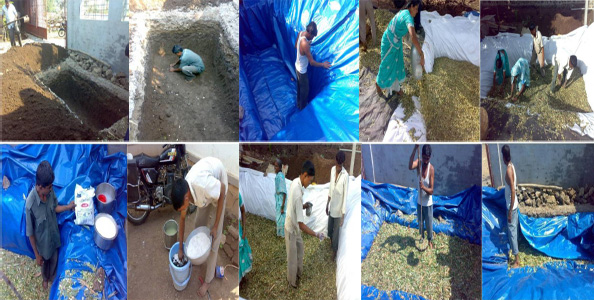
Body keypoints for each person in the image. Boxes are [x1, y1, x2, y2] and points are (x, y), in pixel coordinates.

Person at [171, 157, 227, 297]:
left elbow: (222, 188)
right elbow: (182, 220)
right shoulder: (187, 190)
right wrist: (180, 248)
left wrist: (214, 226)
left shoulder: (203, 186)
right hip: (205, 194)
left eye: (182, 208)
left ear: (186, 198)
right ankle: (198, 257)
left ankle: (208, 280)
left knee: (214, 238)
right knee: (198, 225)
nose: (182, 212)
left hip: (219, 184)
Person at [25, 161, 76, 289]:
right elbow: (30, 233)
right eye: (49, 187)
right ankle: (45, 278)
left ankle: (52, 277)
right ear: (40, 186)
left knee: (54, 259)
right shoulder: (30, 205)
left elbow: (54, 208)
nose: (51, 189)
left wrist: (68, 207)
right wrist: (37, 254)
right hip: (43, 244)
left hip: (54, 237)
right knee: (44, 262)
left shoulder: (49, 191)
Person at [285, 160, 325, 288]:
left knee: (300, 249)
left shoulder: (296, 182)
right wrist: (316, 234)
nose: (309, 183)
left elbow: (295, 206)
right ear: (305, 175)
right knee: (292, 258)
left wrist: (304, 206)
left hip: (295, 227)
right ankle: (292, 282)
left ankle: (299, 273)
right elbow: (301, 224)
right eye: (310, 180)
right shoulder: (297, 192)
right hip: (291, 228)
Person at [376, 0, 424, 98]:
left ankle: (396, 88)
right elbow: (413, 37)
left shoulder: (405, 12)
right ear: (410, 7)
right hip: (389, 43)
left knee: (397, 64)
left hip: (395, 42)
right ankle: (378, 84)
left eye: (417, 9)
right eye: (415, 9)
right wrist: (421, 54)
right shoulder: (408, 17)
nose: (416, 11)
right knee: (386, 66)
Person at [294, 21, 332, 110]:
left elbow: (296, 46)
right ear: (310, 33)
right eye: (313, 36)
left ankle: (298, 103)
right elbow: (311, 62)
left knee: (299, 86)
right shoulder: (305, 44)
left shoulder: (300, 33)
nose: (313, 38)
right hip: (302, 71)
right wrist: (323, 64)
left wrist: (305, 47)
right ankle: (302, 108)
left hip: (297, 65)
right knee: (305, 90)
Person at [408, 144, 434, 249]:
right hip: (419, 202)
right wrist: (414, 148)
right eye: (424, 158)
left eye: (427, 158)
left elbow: (431, 190)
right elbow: (410, 166)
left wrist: (423, 187)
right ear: (421, 156)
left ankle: (430, 240)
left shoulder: (431, 169)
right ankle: (422, 237)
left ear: (430, 157)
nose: (426, 161)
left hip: (427, 204)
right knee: (420, 222)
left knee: (429, 224)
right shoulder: (419, 164)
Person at [326, 150, 349, 261]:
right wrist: (327, 203)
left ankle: (334, 252)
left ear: (342, 163)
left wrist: (343, 215)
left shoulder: (345, 176)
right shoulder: (332, 170)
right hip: (332, 206)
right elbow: (331, 187)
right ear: (335, 161)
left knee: (336, 233)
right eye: (337, 163)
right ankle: (331, 245)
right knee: (330, 230)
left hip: (339, 209)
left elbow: (345, 196)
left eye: (340, 164)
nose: (338, 166)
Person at [502, 144, 520, 268]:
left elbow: (513, 191)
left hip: (512, 207)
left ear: (503, 157)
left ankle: (517, 260)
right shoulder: (511, 165)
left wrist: (509, 210)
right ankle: (516, 249)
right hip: (514, 205)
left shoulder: (508, 170)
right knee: (514, 230)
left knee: (512, 232)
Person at [238, 193, 253, 283]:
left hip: (240, 231)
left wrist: (244, 229)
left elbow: (243, 211)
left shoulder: (238, 196)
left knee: (242, 253)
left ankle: (243, 277)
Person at [275, 158, 287, 237]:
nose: (274, 168)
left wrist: (282, 207)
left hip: (281, 201)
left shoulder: (280, 177)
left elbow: (284, 193)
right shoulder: (278, 176)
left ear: (279, 167)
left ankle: (282, 234)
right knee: (278, 217)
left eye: (276, 166)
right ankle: (279, 233)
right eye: (274, 166)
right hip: (278, 199)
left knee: (281, 218)